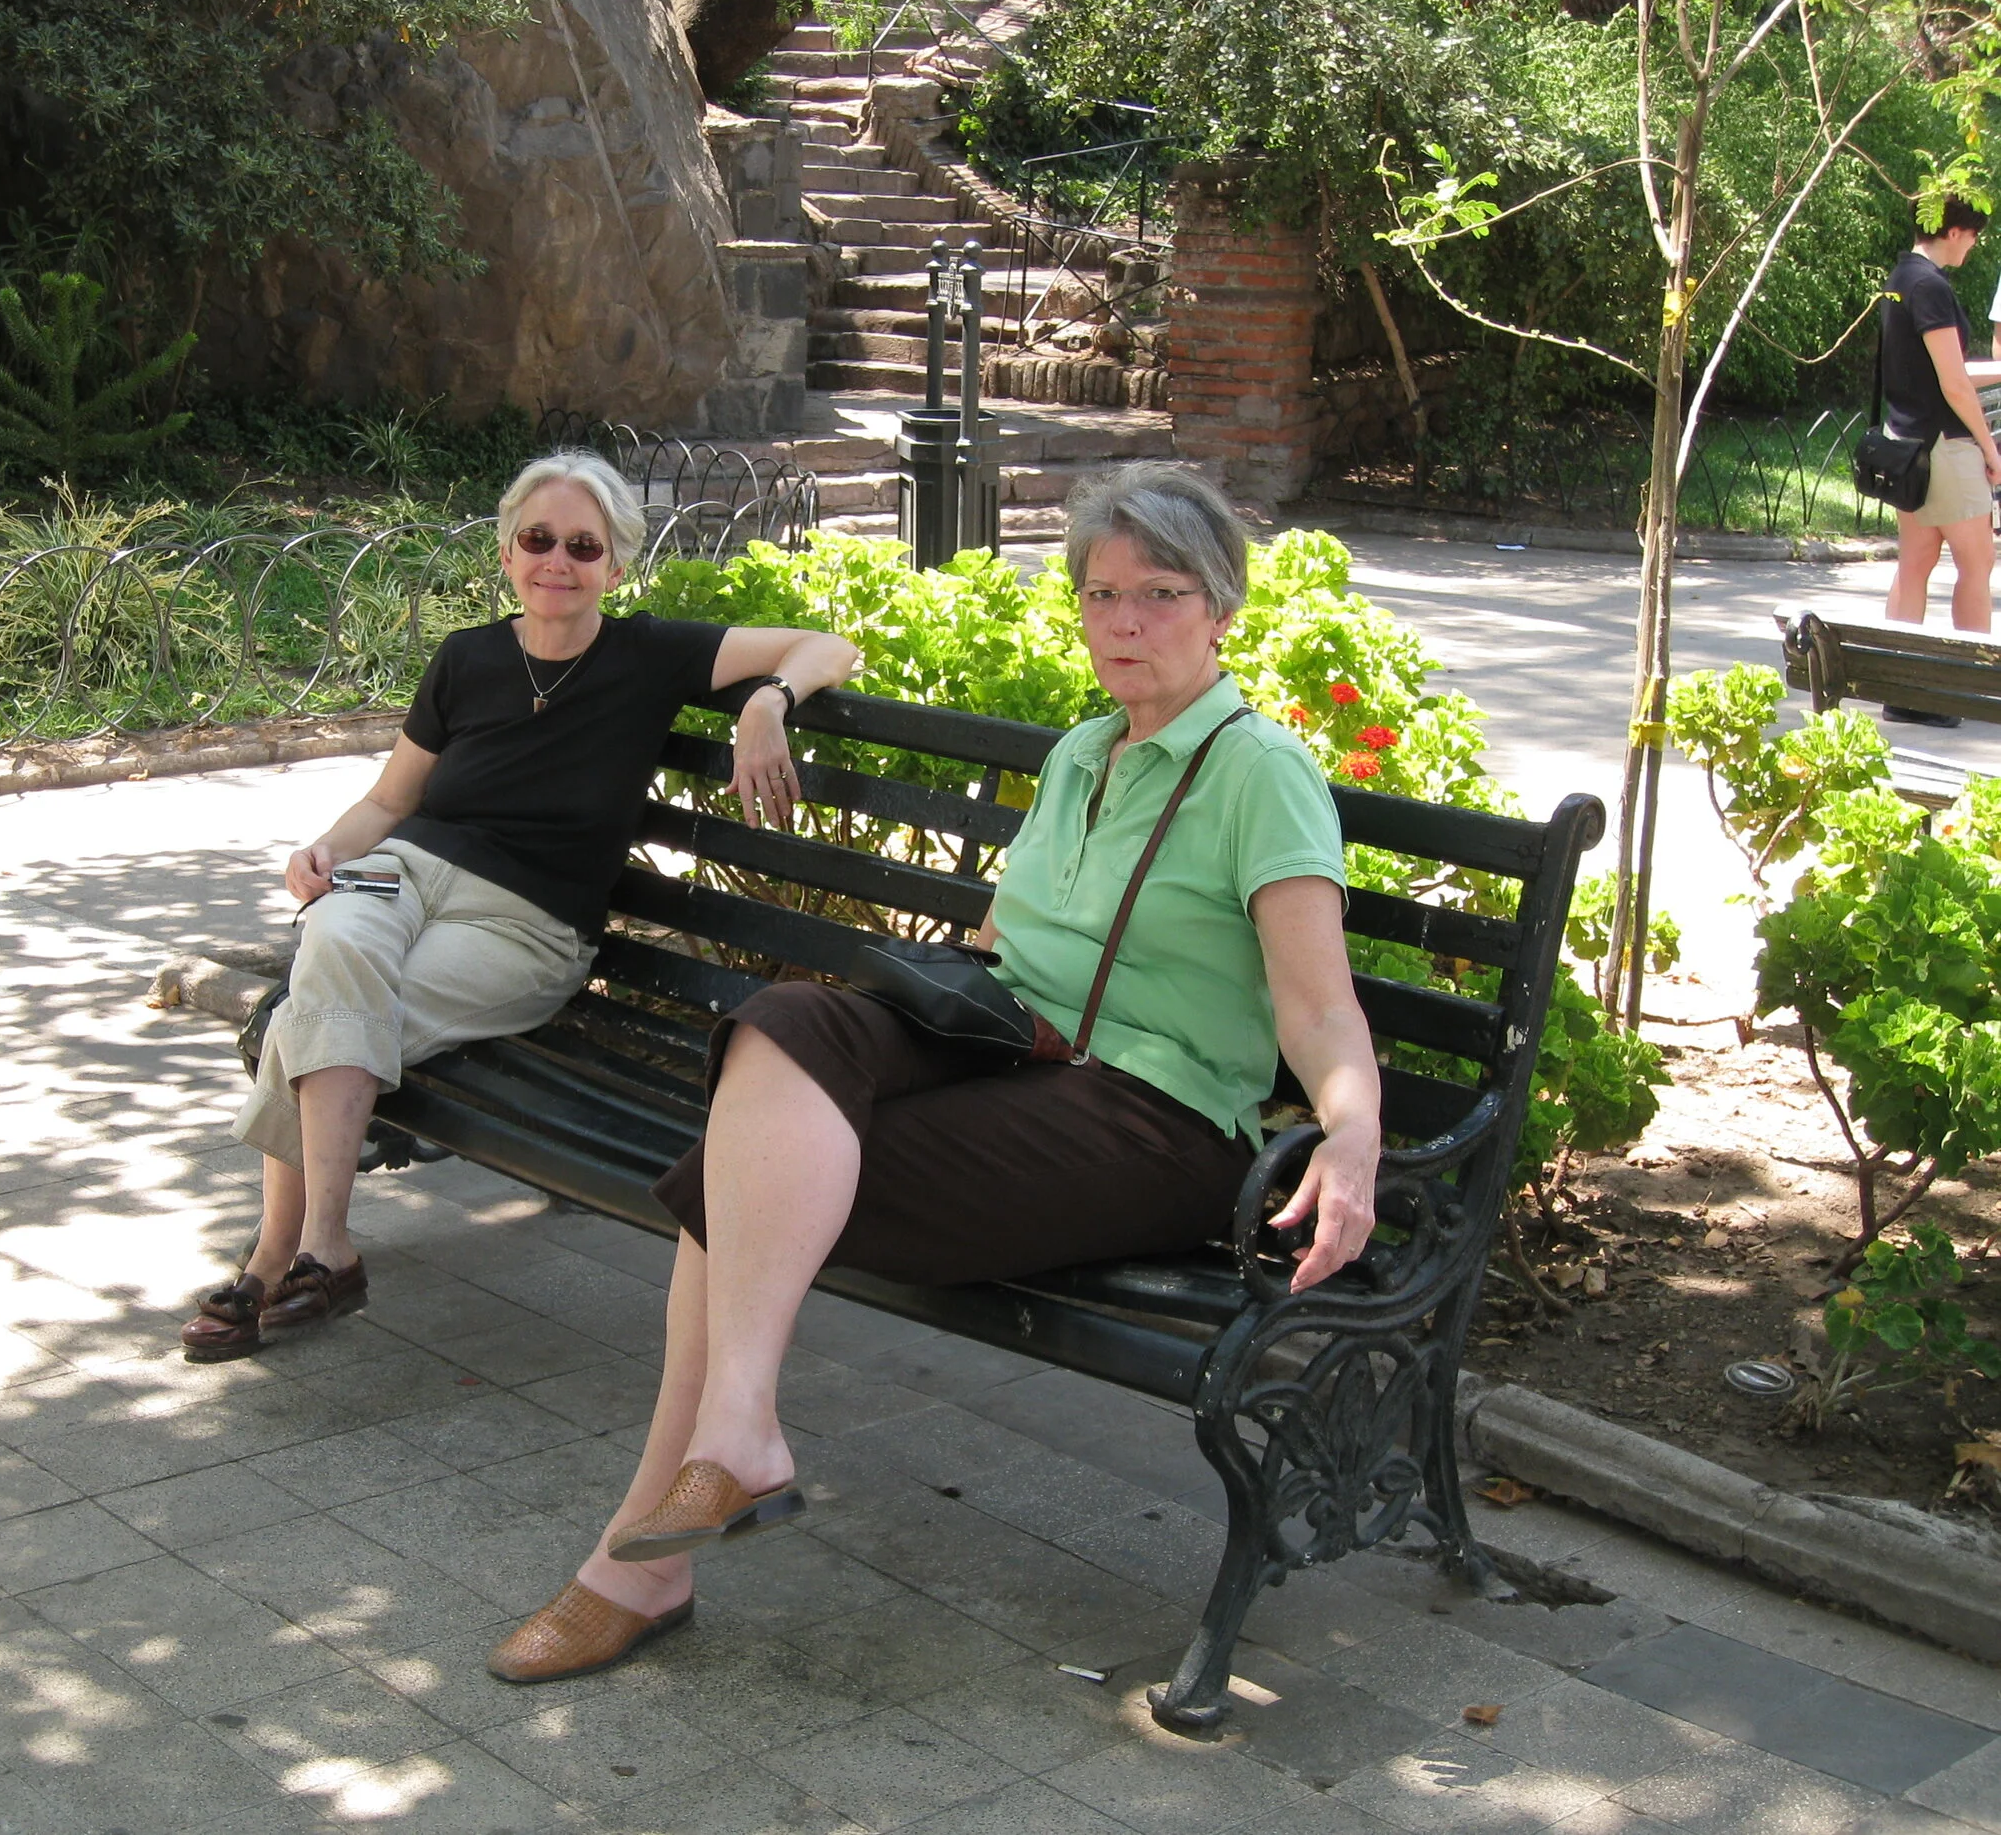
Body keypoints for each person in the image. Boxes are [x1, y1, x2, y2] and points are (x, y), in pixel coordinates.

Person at [487, 462, 1382, 1684]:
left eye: (1159, 594)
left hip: (1156, 1120)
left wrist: (1352, 1134)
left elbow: (1317, 1004)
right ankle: (731, 1442)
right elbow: (1009, 944)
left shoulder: (1256, 770)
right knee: (784, 1026)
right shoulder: (1083, 752)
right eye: (1101, 594)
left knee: (735, 1177)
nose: (1123, 622)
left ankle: (642, 1559)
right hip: (1014, 1048)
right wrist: (910, 1025)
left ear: (1219, 608)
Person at [178, 451, 863, 1363]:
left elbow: (829, 645)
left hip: (527, 924)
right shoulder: (468, 658)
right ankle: (320, 1250)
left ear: (615, 567)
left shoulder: (650, 654)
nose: (558, 561)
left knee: (319, 1008)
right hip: (405, 872)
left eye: (584, 546)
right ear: (507, 552)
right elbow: (389, 802)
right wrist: (328, 851)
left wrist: (767, 703)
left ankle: (280, 1255)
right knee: (336, 932)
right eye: (538, 539)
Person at [1881, 196, 2001, 725]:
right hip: (1945, 450)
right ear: (1953, 231)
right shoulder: (1931, 286)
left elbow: (1939, 371)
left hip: (1907, 446)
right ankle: (1965, 690)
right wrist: (1990, 448)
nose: (1975, 244)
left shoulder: (1901, 276)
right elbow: (1952, 383)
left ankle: (1898, 688)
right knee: (1978, 565)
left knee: (1915, 565)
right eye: (1973, 233)